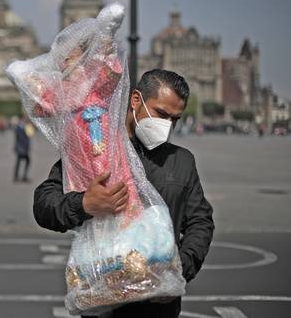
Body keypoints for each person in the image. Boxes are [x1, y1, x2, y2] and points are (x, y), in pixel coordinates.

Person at [33, 69, 214, 317]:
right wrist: (83, 203)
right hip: (102, 303)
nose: (167, 125)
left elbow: (200, 221)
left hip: (158, 307)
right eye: (161, 114)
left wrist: (179, 270)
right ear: (136, 100)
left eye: (175, 119)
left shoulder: (181, 162)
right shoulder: (97, 151)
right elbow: (44, 205)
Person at [13, 116, 31, 182]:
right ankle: (21, 176)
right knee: (24, 161)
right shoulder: (19, 127)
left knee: (21, 161)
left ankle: (18, 176)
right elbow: (21, 138)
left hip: (22, 147)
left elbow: (30, 134)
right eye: (24, 119)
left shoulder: (24, 126)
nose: (25, 120)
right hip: (21, 147)